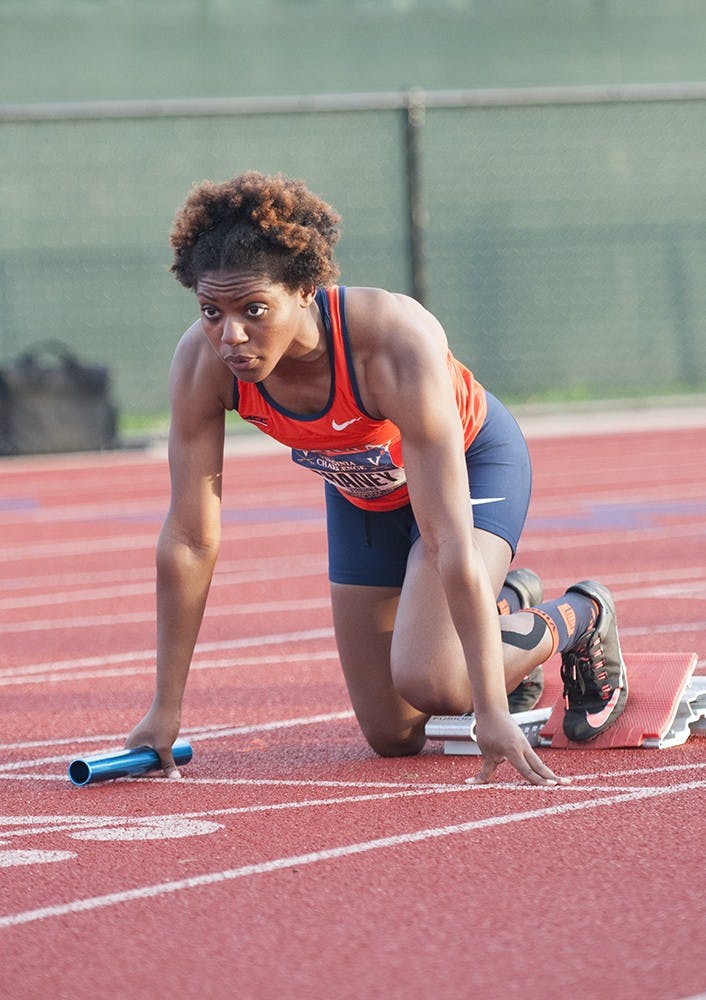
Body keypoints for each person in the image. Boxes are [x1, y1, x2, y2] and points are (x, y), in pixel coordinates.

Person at [126, 171, 628, 784]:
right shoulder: (203, 364)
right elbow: (189, 540)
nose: (230, 336)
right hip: (361, 490)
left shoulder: (391, 342)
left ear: (305, 290)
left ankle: (581, 616)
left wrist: (490, 709)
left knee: (439, 683)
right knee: (392, 734)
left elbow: (446, 538)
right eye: (211, 311)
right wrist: (165, 709)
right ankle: (502, 607)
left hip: (470, 469)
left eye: (253, 310)